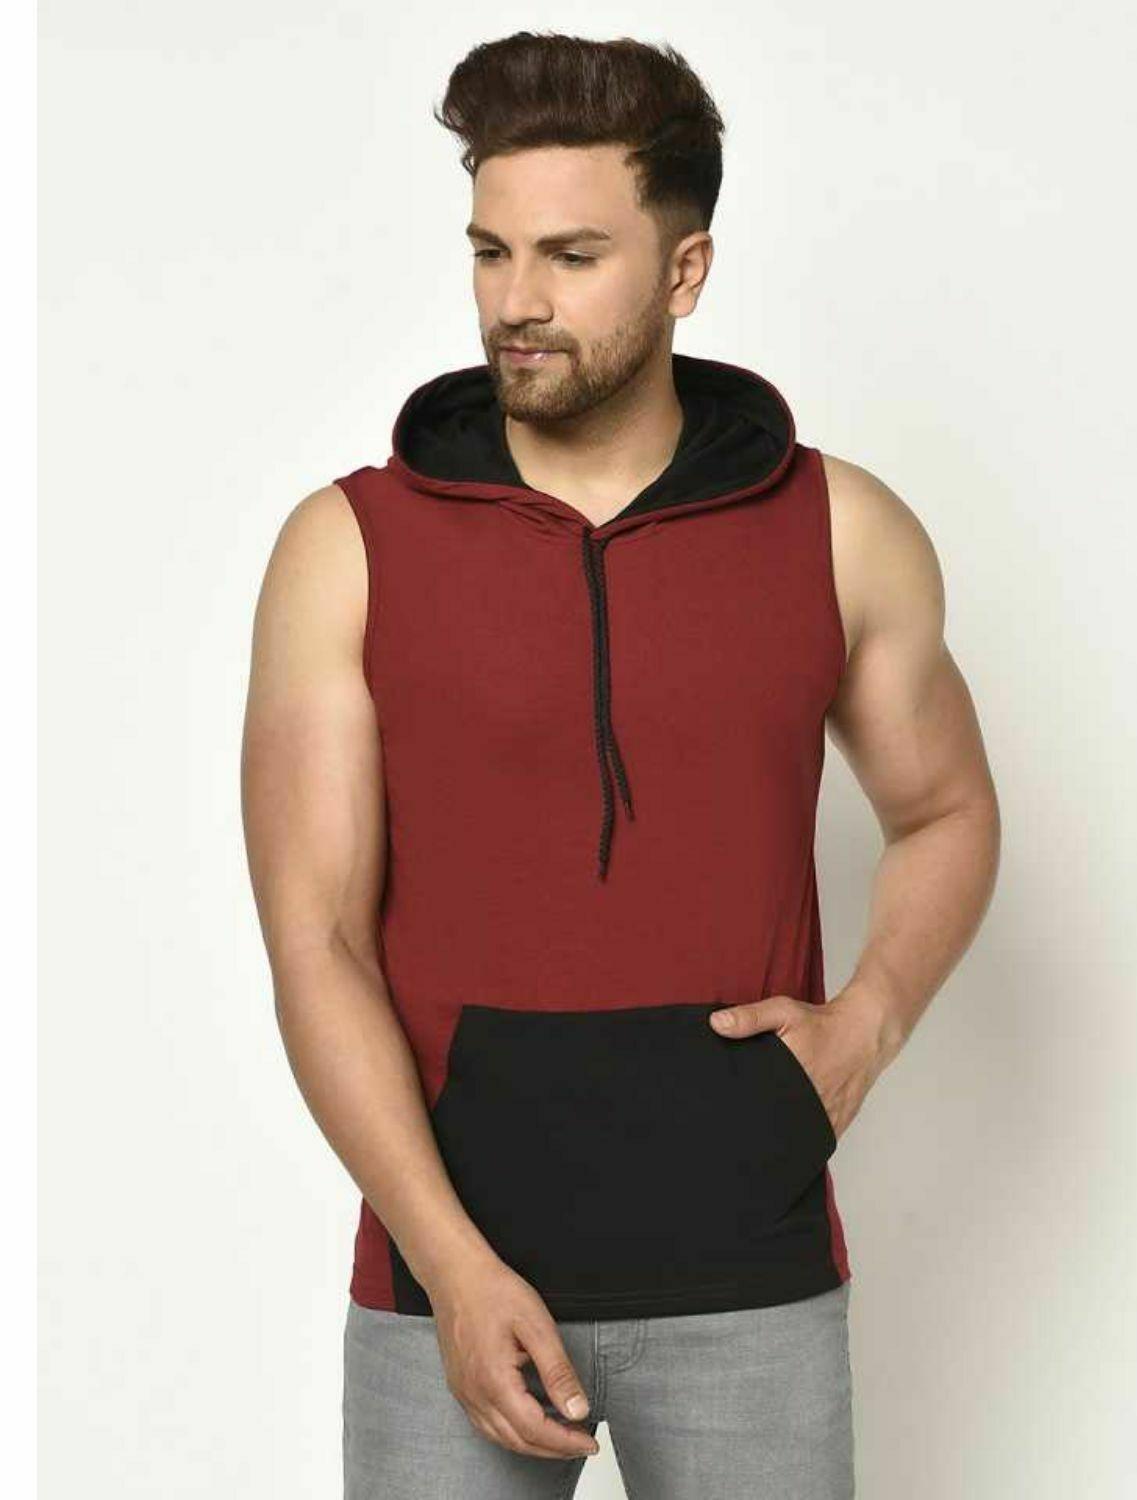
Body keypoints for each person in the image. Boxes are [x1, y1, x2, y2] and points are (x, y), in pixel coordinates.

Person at [240, 31, 1001, 1500]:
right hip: (443, 1286)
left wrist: (870, 1022)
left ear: (684, 269)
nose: (516, 301)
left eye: (573, 256)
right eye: (491, 251)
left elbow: (948, 810)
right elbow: (316, 940)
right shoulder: (348, 547)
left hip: (751, 1277)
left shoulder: (837, 531)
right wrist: (452, 1270)